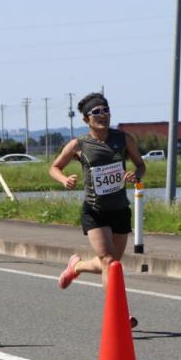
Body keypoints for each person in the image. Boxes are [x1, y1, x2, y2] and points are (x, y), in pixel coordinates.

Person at [49, 93, 147, 289]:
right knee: (108, 261)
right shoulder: (79, 144)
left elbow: (141, 166)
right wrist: (64, 179)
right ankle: (114, 308)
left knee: (111, 263)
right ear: (86, 119)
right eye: (96, 112)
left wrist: (135, 175)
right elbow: (54, 167)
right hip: (95, 210)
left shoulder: (124, 139)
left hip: (120, 208)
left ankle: (76, 267)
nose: (103, 115)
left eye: (106, 110)